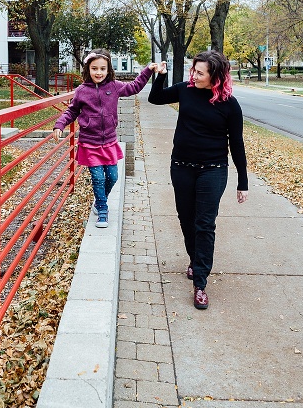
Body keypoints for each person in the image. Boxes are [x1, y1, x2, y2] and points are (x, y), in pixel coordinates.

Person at [148, 50, 248, 310]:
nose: (194, 75)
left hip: (213, 170)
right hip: (181, 166)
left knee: (204, 224)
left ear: (215, 76)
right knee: (186, 218)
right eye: (193, 70)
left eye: (200, 73)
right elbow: (155, 98)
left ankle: (200, 283)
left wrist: (243, 181)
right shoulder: (185, 90)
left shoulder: (229, 105)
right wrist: (161, 75)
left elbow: (236, 144)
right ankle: (195, 259)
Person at [54, 48, 156, 228]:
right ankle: (102, 209)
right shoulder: (81, 91)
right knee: (98, 178)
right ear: (88, 70)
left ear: (109, 70)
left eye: (103, 69)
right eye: (94, 69)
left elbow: (134, 87)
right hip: (89, 142)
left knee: (113, 177)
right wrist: (60, 124)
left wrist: (148, 70)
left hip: (109, 142)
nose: (99, 72)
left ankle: (100, 199)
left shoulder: (114, 87)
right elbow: (72, 111)